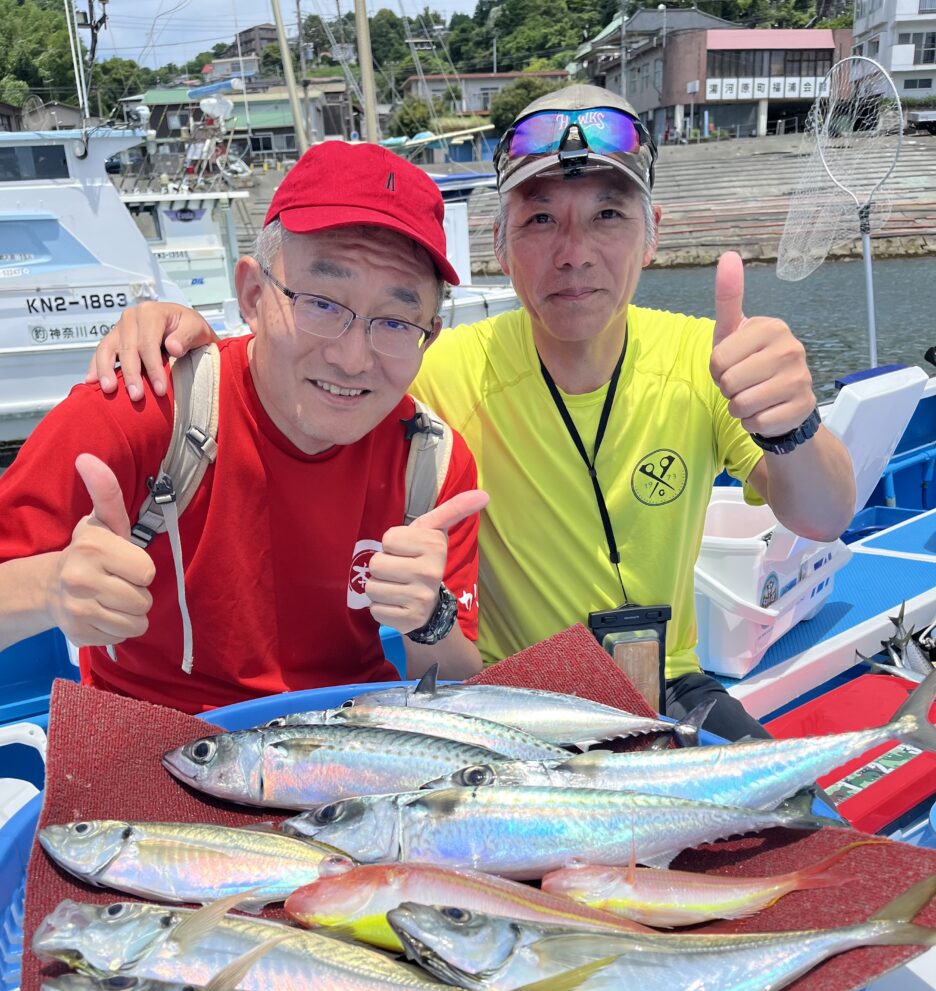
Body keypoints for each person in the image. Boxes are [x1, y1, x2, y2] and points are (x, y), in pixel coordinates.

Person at [84, 85, 857, 740]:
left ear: (653, 236)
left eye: (609, 216)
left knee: (809, 846)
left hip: (670, 687)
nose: (575, 250)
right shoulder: (440, 365)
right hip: (508, 706)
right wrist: (182, 334)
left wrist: (790, 424)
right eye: (541, 219)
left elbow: (823, 517)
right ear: (500, 244)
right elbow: (313, 364)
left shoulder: (706, 358)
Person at [0, 142, 486, 714]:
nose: (355, 359)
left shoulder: (429, 463)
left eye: (396, 321)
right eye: (322, 303)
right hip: (158, 746)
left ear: (430, 331)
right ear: (253, 295)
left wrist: (429, 618)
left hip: (351, 737)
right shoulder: (141, 409)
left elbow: (456, 684)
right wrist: (53, 586)